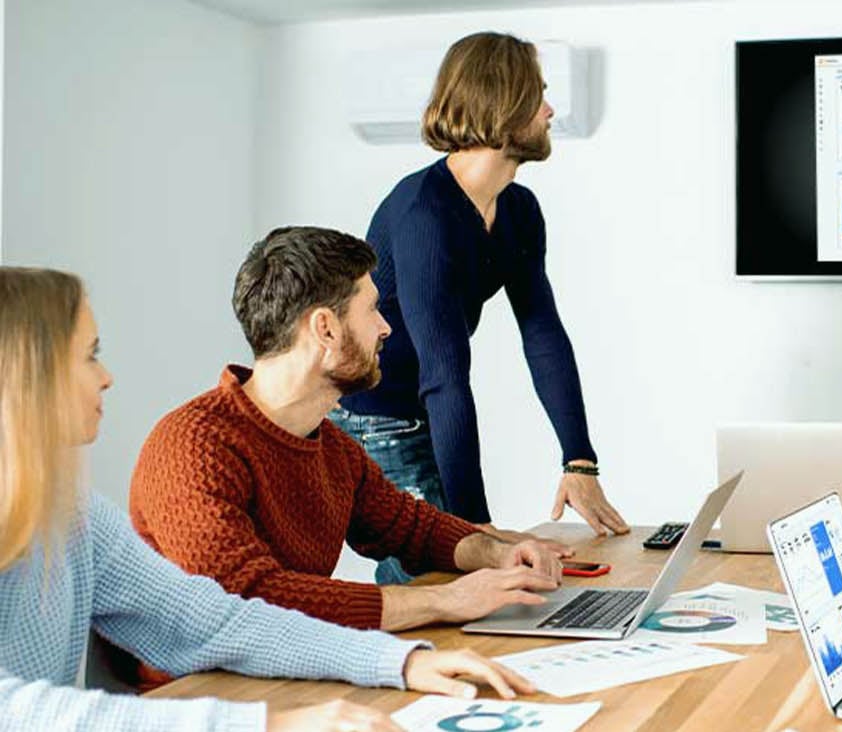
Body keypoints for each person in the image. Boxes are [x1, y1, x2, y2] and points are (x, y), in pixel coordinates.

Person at [0, 266, 535, 731]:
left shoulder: (70, 511)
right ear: (26, 372)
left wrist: (399, 663)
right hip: (215, 699)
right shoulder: (192, 443)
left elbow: (210, 619)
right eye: (90, 355)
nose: (108, 376)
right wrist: (267, 724)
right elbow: (16, 712)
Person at [129, 227, 562, 664]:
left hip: (289, 673)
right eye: (372, 309)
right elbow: (246, 599)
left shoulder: (333, 448)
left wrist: (499, 553)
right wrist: (443, 600)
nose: (385, 327)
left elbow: (413, 528)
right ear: (326, 328)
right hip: (204, 695)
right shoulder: (192, 445)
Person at [334, 31, 628, 585]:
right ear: (502, 105)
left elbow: (542, 333)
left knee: (470, 568)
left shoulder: (518, 210)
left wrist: (579, 460)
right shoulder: (426, 214)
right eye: (537, 95)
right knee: (443, 576)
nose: (549, 109)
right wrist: (477, 529)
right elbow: (444, 377)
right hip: (377, 415)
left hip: (427, 401)